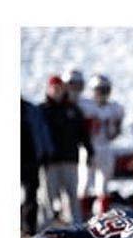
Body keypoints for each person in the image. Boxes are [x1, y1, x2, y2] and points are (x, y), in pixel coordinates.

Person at [40, 75, 93, 224]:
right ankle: (46, 225)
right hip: (50, 161)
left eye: (59, 88)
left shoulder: (73, 110)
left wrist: (89, 151)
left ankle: (75, 224)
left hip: (70, 158)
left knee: (72, 195)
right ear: (49, 89)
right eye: (54, 88)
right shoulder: (42, 110)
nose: (57, 91)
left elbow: (83, 133)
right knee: (48, 196)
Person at [77, 74, 124, 217]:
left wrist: (116, 128)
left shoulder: (114, 108)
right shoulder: (85, 105)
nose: (102, 93)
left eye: (105, 89)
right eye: (99, 89)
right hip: (88, 147)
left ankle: (101, 216)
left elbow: (117, 130)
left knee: (103, 185)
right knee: (84, 183)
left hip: (106, 146)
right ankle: (81, 216)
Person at [21, 98, 52, 236]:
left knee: (31, 196)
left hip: (30, 159)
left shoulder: (31, 109)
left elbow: (42, 130)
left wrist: (46, 152)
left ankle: (29, 229)